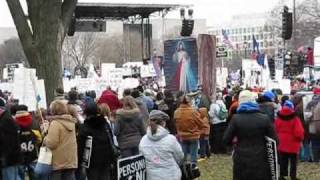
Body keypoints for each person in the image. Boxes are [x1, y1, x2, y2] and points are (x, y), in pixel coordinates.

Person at [223, 90, 277, 180]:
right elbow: (274, 140)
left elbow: (226, 139)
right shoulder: (264, 118)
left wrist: (233, 146)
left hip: (241, 157)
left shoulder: (235, 119)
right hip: (260, 157)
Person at [139, 110, 184, 180]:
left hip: (152, 177)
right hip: (171, 175)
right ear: (163, 123)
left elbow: (142, 159)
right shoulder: (171, 139)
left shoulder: (143, 140)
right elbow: (180, 157)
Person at [77, 102, 114, 180]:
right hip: (106, 158)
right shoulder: (104, 123)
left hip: (92, 161)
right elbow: (110, 139)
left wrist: (79, 162)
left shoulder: (85, 127)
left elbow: (80, 147)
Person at [44, 100, 78, 180]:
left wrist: (45, 138)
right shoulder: (71, 122)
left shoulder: (55, 123)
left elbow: (52, 143)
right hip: (70, 160)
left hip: (57, 161)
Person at [275, 100, 304, 180]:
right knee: (293, 162)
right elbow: (299, 132)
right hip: (293, 143)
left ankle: (282, 175)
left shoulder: (278, 117)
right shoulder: (295, 118)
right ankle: (293, 176)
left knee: (283, 160)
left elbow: (275, 129)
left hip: (281, 142)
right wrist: (301, 139)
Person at [174, 95, 205, 164]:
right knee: (193, 155)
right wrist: (199, 130)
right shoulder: (193, 111)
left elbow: (176, 124)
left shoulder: (176, 112)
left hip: (182, 136)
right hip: (193, 135)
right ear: (189, 102)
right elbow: (201, 123)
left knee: (183, 154)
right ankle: (193, 167)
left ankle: (183, 168)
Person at [14, 105, 42, 179]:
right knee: (34, 176)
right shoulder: (34, 122)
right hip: (33, 154)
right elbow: (39, 139)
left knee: (20, 176)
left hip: (19, 156)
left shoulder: (13, 123)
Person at [0, 98, 23, 180]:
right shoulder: (5, 118)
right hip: (8, 158)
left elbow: (9, 142)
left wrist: (3, 156)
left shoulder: (6, 120)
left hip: (9, 159)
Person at [305, 87, 320, 162]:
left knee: (315, 143)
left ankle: (316, 159)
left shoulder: (310, 103)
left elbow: (307, 116)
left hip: (314, 126)